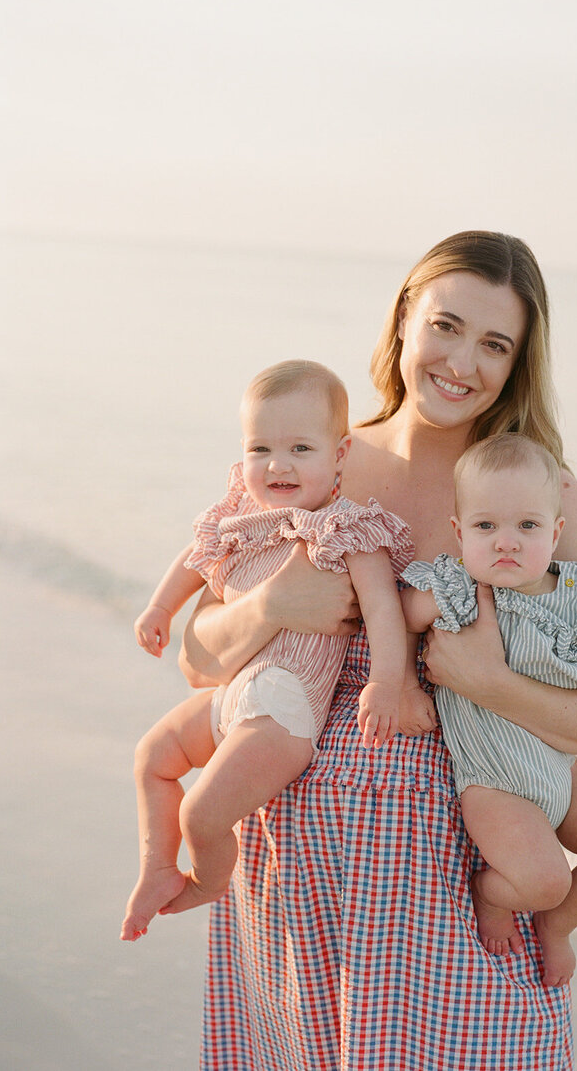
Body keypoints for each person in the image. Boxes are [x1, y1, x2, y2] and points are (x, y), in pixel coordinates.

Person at [180, 231, 577, 1070]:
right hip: (300, 868)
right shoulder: (317, 458)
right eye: (448, 326)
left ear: (518, 363)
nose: (462, 362)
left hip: (464, 876)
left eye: (495, 344)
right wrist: (274, 604)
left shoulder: (534, 493)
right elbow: (200, 659)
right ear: (404, 320)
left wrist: (490, 682)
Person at [121, 360, 413, 942]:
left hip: (285, 709)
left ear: (340, 455)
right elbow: (193, 557)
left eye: (300, 447)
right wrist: (160, 608)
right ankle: (156, 867)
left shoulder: (347, 528)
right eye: (260, 448)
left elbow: (384, 610)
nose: (277, 465)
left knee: (201, 813)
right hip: (235, 692)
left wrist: (388, 681)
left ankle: (208, 879)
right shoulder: (242, 516)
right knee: (153, 756)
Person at [402, 432, 577, 984]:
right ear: (460, 534)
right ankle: (490, 891)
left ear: (556, 533)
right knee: (543, 879)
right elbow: (399, 613)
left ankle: (558, 926)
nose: (506, 542)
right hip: (494, 784)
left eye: (526, 527)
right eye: (486, 527)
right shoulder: (457, 589)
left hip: (563, 774)